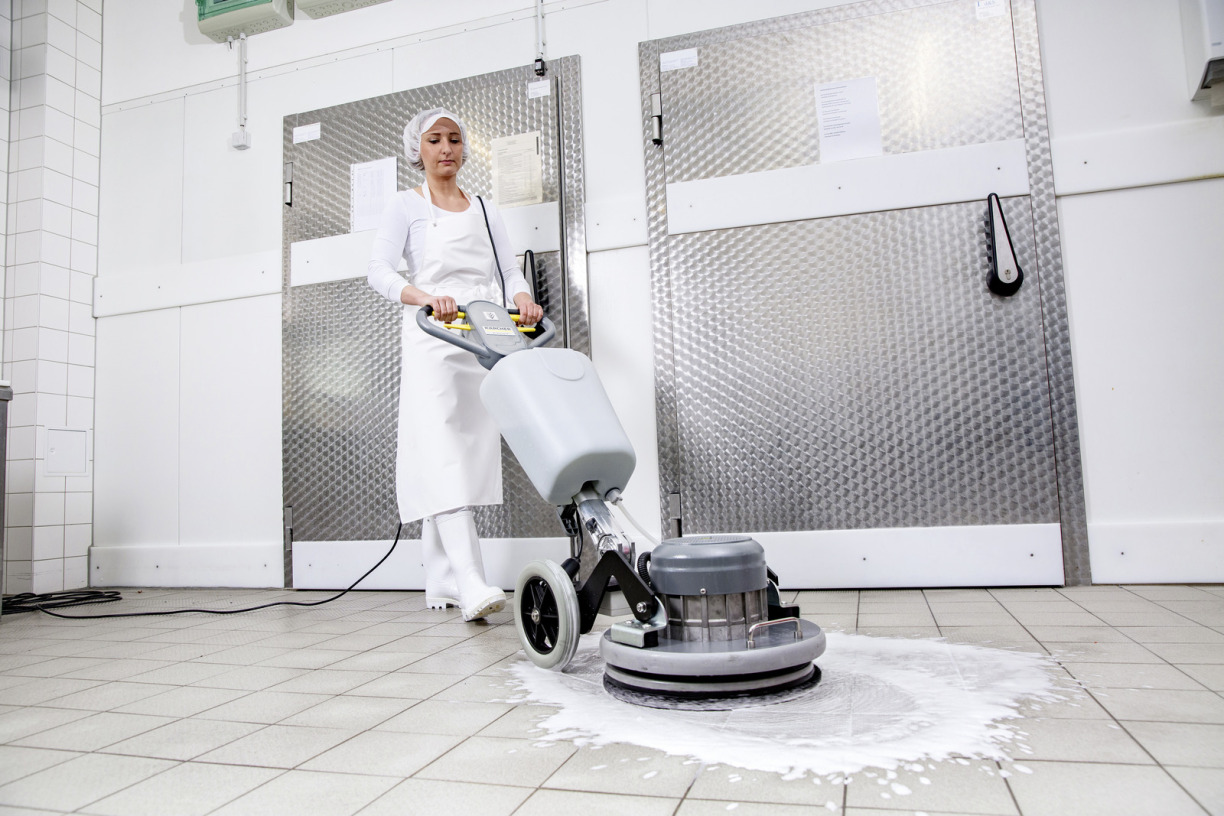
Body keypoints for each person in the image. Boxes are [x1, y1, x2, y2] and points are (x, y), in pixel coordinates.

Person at [367, 108, 544, 621]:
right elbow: (377, 270)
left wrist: (523, 299)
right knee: (441, 447)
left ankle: (440, 577)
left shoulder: (484, 208)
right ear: (417, 150)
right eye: (434, 140)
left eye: (454, 139)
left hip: (483, 334)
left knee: (461, 452)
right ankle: (469, 579)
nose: (446, 148)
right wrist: (423, 296)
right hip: (433, 334)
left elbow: (508, 269)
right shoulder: (405, 205)